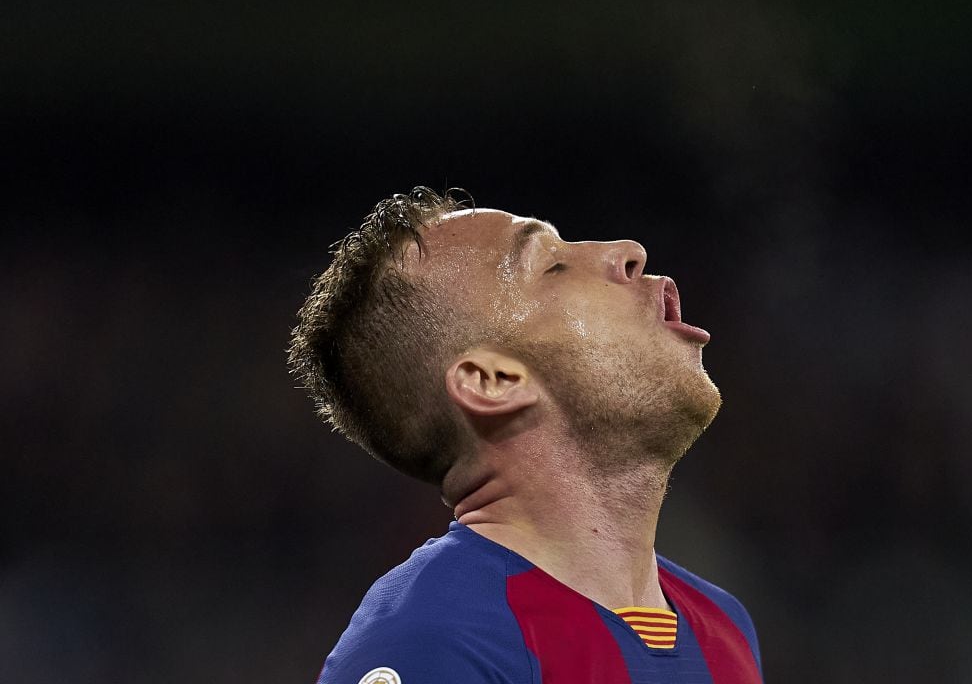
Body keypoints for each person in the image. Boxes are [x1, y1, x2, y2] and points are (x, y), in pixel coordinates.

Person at [288, 186, 763, 684]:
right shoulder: (435, 639)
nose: (627, 250)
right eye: (551, 267)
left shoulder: (723, 626)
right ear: (493, 381)